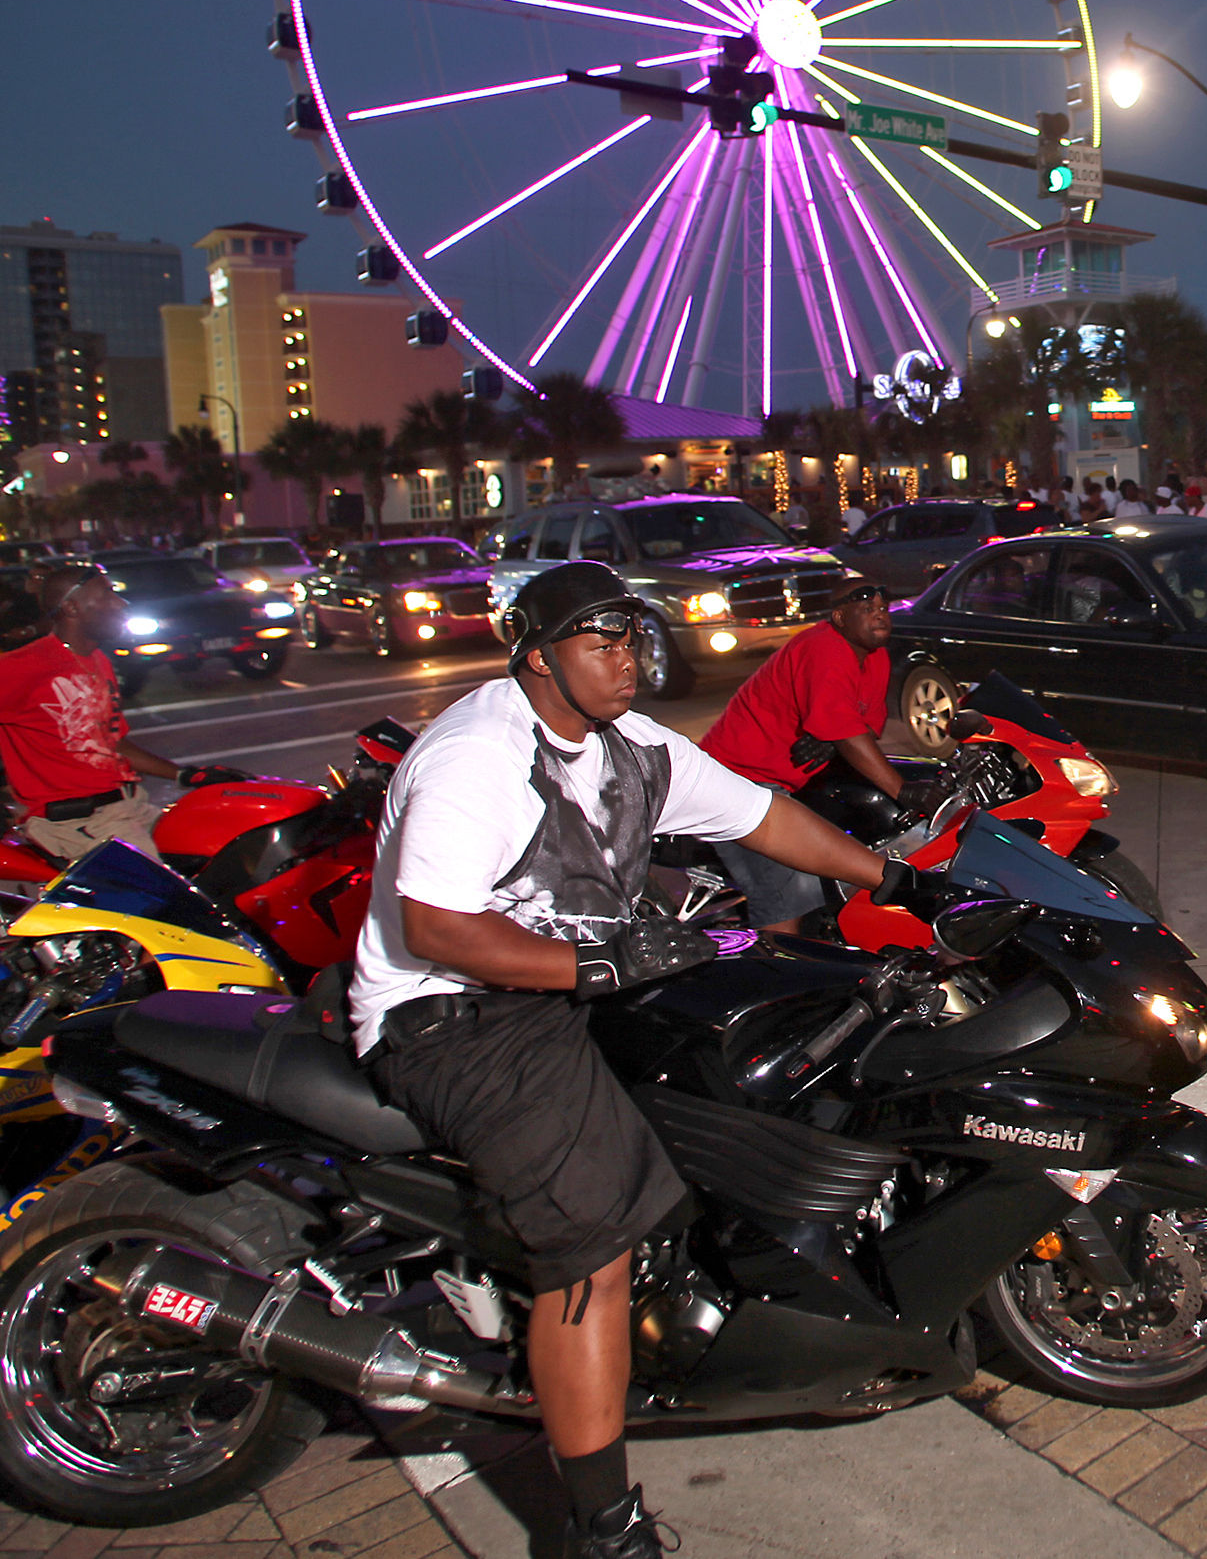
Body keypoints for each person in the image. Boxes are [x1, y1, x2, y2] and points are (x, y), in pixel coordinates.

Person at [350, 562, 931, 1559]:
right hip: (457, 1016)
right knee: (593, 1242)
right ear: (538, 656)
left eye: (632, 639)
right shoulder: (478, 756)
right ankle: (598, 1525)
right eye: (600, 642)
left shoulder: (629, 746)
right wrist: (591, 958)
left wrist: (903, 880)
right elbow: (437, 928)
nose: (628, 660)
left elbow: (759, 815)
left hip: (583, 984)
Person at [0, 564, 234, 860]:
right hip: (80, 825)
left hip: (128, 808)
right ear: (72, 608)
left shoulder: (96, 660)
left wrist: (182, 774)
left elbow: (108, 743)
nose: (121, 603)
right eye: (108, 595)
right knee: (169, 919)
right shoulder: (27, 665)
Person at [695, 579, 904, 931]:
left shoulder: (875, 657)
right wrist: (902, 790)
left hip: (787, 785)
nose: (880, 616)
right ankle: (778, 971)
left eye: (883, 609)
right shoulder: (823, 647)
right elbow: (852, 735)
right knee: (792, 895)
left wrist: (836, 739)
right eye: (867, 610)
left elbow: (866, 729)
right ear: (839, 617)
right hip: (737, 782)